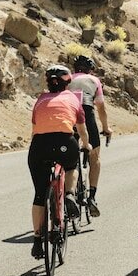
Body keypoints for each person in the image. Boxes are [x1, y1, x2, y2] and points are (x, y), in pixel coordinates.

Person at [29, 65, 90, 259]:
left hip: (39, 145)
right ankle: (70, 194)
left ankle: (37, 240)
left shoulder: (40, 100)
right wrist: (87, 146)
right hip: (65, 141)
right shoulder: (73, 98)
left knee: (39, 194)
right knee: (71, 167)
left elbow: (34, 128)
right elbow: (81, 129)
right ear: (68, 82)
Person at [69, 55, 112, 216]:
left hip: (68, 114)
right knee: (95, 157)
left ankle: (69, 192)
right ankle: (92, 197)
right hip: (86, 114)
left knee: (70, 159)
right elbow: (101, 108)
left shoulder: (67, 78)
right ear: (90, 70)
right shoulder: (94, 81)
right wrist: (106, 128)